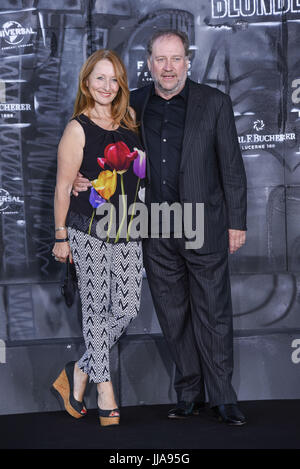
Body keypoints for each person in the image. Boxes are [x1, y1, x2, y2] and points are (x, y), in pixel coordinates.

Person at [73, 30, 247, 426]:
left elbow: (232, 169)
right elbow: (97, 142)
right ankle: (189, 394)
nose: (168, 68)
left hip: (203, 223)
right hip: (152, 225)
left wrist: (237, 222)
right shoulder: (132, 104)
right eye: (160, 60)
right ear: (148, 64)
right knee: (173, 313)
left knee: (213, 312)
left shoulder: (214, 103)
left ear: (188, 61)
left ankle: (223, 397)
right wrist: (79, 180)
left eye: (176, 59)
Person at [51, 49, 145, 427]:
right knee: (95, 308)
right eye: (99, 78)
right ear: (87, 82)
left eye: (113, 78)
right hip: (87, 230)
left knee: (126, 308)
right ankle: (104, 389)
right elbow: (61, 188)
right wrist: (60, 237)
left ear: (120, 83)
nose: (107, 86)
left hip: (128, 229)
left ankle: (79, 371)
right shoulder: (78, 127)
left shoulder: (131, 120)